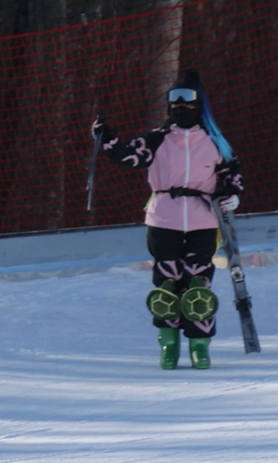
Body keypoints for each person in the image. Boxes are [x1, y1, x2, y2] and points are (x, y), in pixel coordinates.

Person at [93, 69, 245, 370]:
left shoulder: (215, 142)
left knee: (198, 284)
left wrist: (233, 195)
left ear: (199, 104)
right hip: (164, 220)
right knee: (167, 284)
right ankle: (169, 343)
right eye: (174, 100)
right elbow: (127, 156)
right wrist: (106, 139)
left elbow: (231, 173)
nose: (180, 106)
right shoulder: (157, 139)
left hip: (203, 220)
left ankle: (199, 345)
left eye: (187, 100)